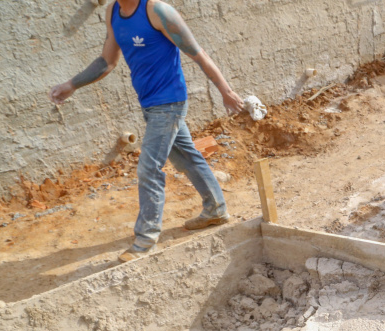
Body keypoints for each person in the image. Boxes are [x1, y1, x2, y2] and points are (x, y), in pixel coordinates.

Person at [50, 0, 243, 262]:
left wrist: (226, 91)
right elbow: (107, 61)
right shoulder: (113, 12)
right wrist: (72, 84)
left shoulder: (157, 11)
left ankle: (145, 239)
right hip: (150, 103)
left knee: (149, 168)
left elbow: (197, 53)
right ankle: (216, 209)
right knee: (185, 157)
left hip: (170, 102)